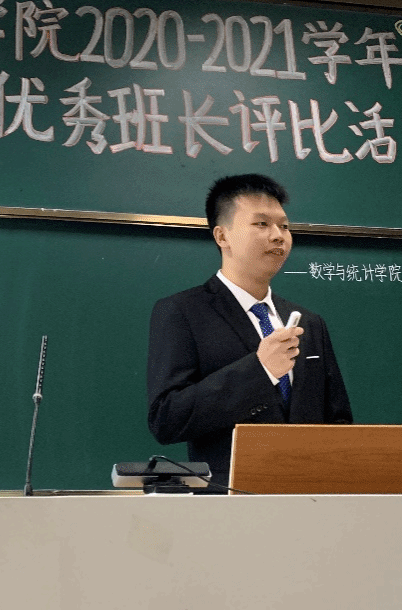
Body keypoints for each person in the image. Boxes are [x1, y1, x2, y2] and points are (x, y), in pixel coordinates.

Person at [147, 173, 352, 489]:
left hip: (309, 496)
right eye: (261, 224)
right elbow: (167, 419)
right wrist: (260, 371)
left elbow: (338, 421)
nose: (278, 236)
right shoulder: (182, 311)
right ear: (222, 236)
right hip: (229, 499)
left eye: (284, 226)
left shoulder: (310, 323)